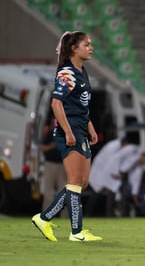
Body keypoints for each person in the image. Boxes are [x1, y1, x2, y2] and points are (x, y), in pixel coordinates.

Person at [32, 31, 102, 242]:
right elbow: (56, 103)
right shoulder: (67, 73)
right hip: (69, 132)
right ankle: (76, 232)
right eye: (87, 45)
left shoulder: (83, 71)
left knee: (82, 182)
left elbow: (79, 105)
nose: (91, 48)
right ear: (74, 48)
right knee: (74, 181)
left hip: (81, 130)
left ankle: (45, 218)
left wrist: (89, 126)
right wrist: (69, 132)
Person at [38, 115, 67, 218]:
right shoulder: (49, 133)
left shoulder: (65, 134)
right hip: (50, 164)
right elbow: (40, 147)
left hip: (62, 165)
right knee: (48, 192)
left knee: (64, 191)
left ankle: (64, 217)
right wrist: (52, 146)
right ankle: (46, 216)